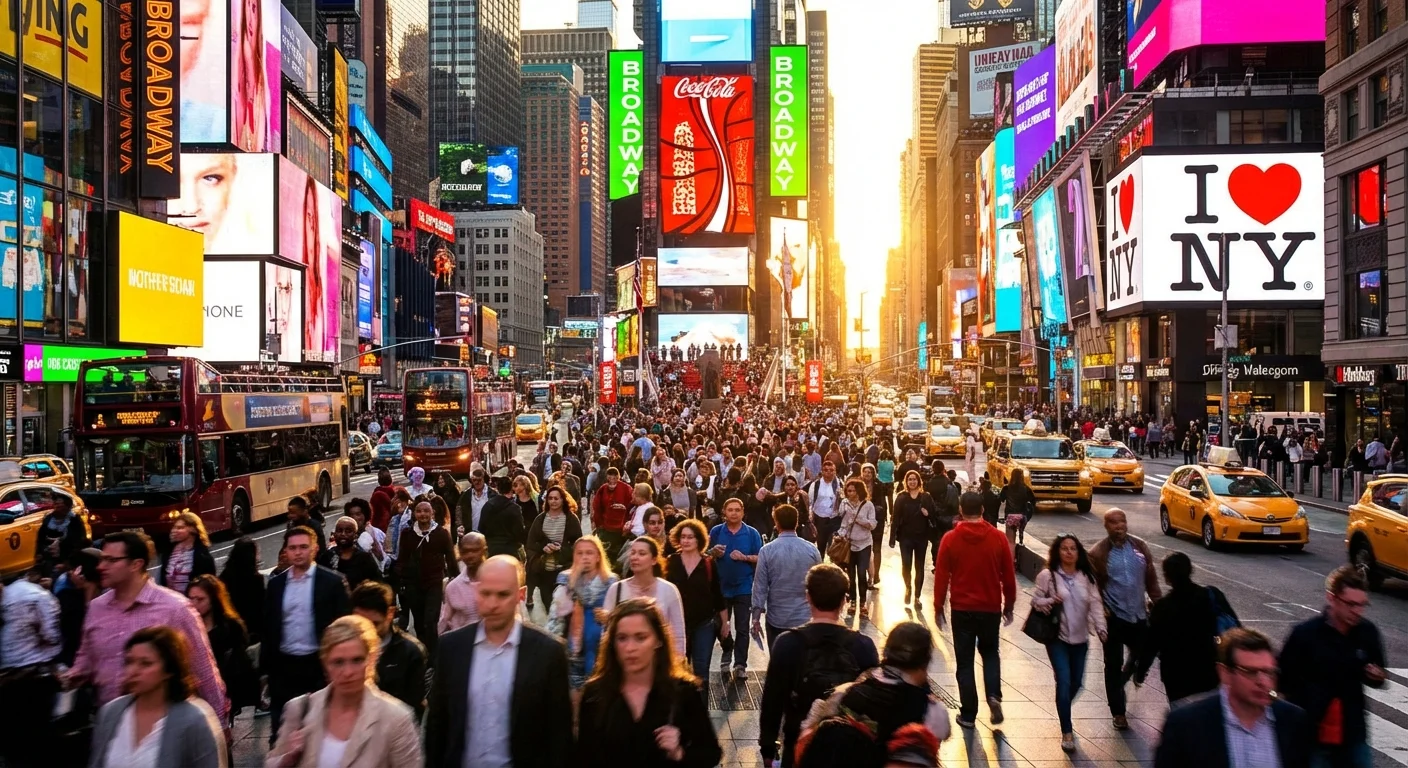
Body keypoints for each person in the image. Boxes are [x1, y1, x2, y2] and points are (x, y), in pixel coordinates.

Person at [425, 556, 573, 768]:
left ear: (520, 595)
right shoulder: (451, 647)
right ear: (477, 592)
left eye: (503, 595)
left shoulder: (548, 653)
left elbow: (559, 735)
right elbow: (437, 725)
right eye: (486, 593)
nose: (493, 604)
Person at [66, 531, 229, 722]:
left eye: (111, 560)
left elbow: (204, 670)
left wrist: (219, 722)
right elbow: (86, 661)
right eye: (102, 559)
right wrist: (65, 678)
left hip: (165, 728)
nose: (101, 566)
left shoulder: (175, 608)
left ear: (136, 564)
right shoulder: (96, 608)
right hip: (112, 726)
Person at [576, 599, 723, 768]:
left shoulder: (683, 692)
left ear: (658, 641)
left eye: (641, 637)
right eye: (622, 638)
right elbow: (583, 757)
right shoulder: (595, 695)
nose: (630, 647)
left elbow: (711, 754)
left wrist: (680, 752)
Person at [759, 563, 879, 768]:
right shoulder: (863, 646)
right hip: (850, 750)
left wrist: (768, 747)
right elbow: (874, 705)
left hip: (799, 745)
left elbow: (773, 701)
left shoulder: (788, 643)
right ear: (844, 600)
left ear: (808, 597)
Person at [265, 615, 422, 768]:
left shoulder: (396, 718)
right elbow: (272, 761)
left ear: (372, 659)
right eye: (338, 662)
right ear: (325, 663)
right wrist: (287, 759)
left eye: (357, 660)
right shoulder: (300, 709)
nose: (348, 672)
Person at [1154, 628, 1313, 768]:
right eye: (1250, 672)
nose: (1263, 682)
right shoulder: (1186, 724)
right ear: (1225, 673)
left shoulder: (1293, 721)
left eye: (1268, 672)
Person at [1279, 566, 1387, 768]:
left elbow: (1378, 672)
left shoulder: (1367, 632)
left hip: (1352, 732)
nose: (1357, 611)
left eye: (1362, 605)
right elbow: (1283, 681)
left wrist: (1377, 676)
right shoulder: (1305, 634)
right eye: (1351, 604)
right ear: (1332, 598)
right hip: (1313, 735)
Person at [261, 526, 351, 745]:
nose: (298, 552)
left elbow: (344, 627)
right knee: (282, 733)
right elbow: (269, 628)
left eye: (303, 547)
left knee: (321, 730)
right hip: (284, 668)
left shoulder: (332, 582)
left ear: (314, 548)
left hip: (318, 666)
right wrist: (265, 672)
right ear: (286, 551)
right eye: (292, 548)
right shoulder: (276, 584)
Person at [87, 627, 228, 768]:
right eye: (129, 662)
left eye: (146, 663)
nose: (133, 671)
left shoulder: (194, 719)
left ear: (169, 670)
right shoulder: (111, 713)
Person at [801, 622, 951, 754]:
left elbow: (808, 734)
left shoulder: (847, 692)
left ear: (886, 653)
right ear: (924, 663)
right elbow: (942, 733)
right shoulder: (932, 711)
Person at [933, 491, 1016, 729]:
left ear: (960, 510)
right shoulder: (998, 539)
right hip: (990, 607)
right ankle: (993, 695)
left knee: (965, 662)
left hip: (962, 609)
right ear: (982, 510)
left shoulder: (950, 538)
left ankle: (968, 714)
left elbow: (941, 576)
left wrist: (938, 607)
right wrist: (1009, 604)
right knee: (990, 653)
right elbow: (1008, 576)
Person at [1030, 534, 1108, 752]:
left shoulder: (1087, 577)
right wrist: (1050, 601)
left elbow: (1095, 604)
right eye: (1064, 548)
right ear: (1058, 551)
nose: (1069, 552)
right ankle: (1067, 731)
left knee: (1076, 684)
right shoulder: (1048, 576)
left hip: (1081, 639)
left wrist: (1101, 628)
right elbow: (1035, 601)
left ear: (1078, 552)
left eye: (1073, 548)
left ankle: (1062, 705)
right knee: (1064, 682)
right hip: (1057, 639)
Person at [1087, 507, 1162, 731]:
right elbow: (1093, 586)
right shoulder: (1098, 553)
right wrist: (1100, 610)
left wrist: (1157, 602)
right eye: (1114, 523)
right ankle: (1118, 712)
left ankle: (1127, 677)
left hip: (1139, 614)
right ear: (1106, 526)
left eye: (1122, 522)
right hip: (1113, 618)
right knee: (1112, 665)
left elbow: (1151, 578)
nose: (1119, 526)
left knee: (1143, 653)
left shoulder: (1140, 547)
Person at [1132, 551, 1237, 704]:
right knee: (1209, 712)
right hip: (1207, 668)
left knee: (1183, 717)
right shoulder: (1210, 595)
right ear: (1190, 570)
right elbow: (1235, 628)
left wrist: (1141, 671)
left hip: (1175, 674)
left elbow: (1151, 644)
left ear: (1167, 577)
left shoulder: (1163, 607)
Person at [0, 567, 62, 768]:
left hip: (31, 680)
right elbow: (52, 636)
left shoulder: (32, 596)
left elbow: (52, 637)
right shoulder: (34, 595)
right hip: (21, 680)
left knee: (29, 745)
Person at [664, 518, 728, 701]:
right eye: (683, 537)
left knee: (701, 671)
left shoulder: (708, 563)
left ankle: (700, 714)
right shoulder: (671, 561)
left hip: (704, 624)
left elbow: (717, 594)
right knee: (678, 670)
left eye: (690, 537)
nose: (686, 541)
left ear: (698, 540)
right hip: (676, 625)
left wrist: (725, 623)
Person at [548, 536, 619, 698]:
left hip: (600, 645)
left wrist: (610, 616)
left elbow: (618, 611)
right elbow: (556, 612)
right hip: (573, 644)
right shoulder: (565, 579)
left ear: (598, 556)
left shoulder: (611, 581)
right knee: (574, 692)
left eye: (589, 553)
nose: (584, 557)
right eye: (580, 553)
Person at [350, 582, 427, 721]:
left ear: (390, 613)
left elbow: (413, 709)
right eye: (360, 623)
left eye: (374, 624)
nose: (366, 631)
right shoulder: (344, 649)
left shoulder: (411, 652)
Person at [187, 575, 257, 723]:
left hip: (222, 689)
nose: (194, 604)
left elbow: (239, 660)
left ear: (213, 600)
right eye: (191, 598)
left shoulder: (229, 628)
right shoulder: (185, 627)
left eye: (200, 599)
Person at [604, 537, 689, 660]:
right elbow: (606, 634)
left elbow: (678, 634)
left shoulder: (669, 590)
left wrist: (678, 661)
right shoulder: (616, 589)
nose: (635, 557)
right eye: (632, 553)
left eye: (641, 553)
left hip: (660, 663)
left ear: (654, 559)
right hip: (624, 662)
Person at [751, 504, 823, 649]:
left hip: (778, 618)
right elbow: (820, 584)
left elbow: (760, 586)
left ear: (776, 523)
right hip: (805, 617)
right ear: (796, 523)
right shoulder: (811, 549)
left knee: (778, 662)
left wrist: (756, 617)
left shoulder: (767, 551)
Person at [393, 500, 457, 660]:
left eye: (426, 511)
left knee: (431, 620)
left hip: (434, 583)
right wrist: (399, 579)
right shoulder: (407, 534)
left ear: (432, 513)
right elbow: (402, 558)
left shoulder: (441, 534)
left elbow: (450, 557)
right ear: (414, 514)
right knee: (419, 622)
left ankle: (434, 657)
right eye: (419, 511)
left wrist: (455, 577)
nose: (423, 514)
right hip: (413, 584)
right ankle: (422, 654)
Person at [708, 497, 763, 679]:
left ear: (742, 512)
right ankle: (726, 655)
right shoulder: (716, 531)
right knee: (720, 626)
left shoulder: (752, 533)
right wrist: (713, 553)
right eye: (730, 510)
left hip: (744, 587)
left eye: (737, 510)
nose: (733, 513)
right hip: (721, 588)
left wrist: (745, 557)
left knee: (742, 627)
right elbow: (704, 555)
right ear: (724, 512)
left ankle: (740, 664)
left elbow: (760, 558)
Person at [889, 470, 938, 607]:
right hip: (905, 538)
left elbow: (934, 516)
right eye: (909, 479)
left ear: (918, 481)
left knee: (919, 567)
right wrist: (892, 537)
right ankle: (908, 588)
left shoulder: (926, 497)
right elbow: (895, 518)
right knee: (906, 565)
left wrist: (927, 514)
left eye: (914, 479)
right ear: (906, 481)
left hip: (921, 538)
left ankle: (917, 596)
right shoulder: (901, 497)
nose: (912, 482)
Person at [835, 478, 877, 620]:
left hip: (864, 543)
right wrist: (839, 536)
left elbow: (872, 524)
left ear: (859, 491)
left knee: (861, 573)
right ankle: (853, 601)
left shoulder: (868, 505)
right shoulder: (844, 504)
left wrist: (858, 519)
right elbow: (842, 523)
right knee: (851, 575)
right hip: (849, 544)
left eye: (852, 490)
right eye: (848, 490)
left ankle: (863, 603)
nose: (850, 493)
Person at [219, 537, 265, 644]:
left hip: (231, 627)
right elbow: (258, 608)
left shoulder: (225, 576)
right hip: (250, 630)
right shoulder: (255, 579)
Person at [439, 532, 487, 635]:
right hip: (463, 644)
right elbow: (445, 619)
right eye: (465, 551)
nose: (470, 555)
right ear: (460, 553)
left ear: (484, 551)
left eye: (475, 550)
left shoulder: (499, 580)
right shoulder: (453, 587)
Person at [159, 511, 217, 596]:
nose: (175, 531)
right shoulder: (168, 552)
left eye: (180, 528)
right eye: (174, 527)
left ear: (193, 529)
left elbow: (209, 586)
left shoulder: (202, 556)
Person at [319, 516, 384, 590]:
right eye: (340, 530)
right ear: (334, 534)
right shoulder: (327, 556)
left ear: (355, 536)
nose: (343, 534)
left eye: (348, 531)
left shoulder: (364, 558)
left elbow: (378, 585)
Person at [35, 492, 90, 577]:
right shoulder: (48, 519)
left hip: (67, 561)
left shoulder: (74, 520)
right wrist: (40, 554)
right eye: (56, 503)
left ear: (67, 506)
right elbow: (41, 538)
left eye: (60, 504)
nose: (57, 506)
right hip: (50, 561)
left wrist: (68, 563)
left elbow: (80, 541)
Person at [592, 466, 636, 562]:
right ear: (607, 477)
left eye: (614, 478)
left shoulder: (626, 488)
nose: (612, 481)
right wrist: (598, 525)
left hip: (621, 528)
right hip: (606, 528)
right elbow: (596, 507)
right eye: (610, 478)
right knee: (605, 554)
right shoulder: (602, 489)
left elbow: (633, 504)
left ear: (618, 477)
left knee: (618, 554)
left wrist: (625, 508)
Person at [806, 460, 844, 558]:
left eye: (832, 470)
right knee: (821, 546)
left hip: (835, 519)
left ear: (835, 471)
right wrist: (811, 516)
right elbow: (811, 502)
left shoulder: (839, 484)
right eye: (826, 470)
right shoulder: (816, 485)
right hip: (820, 519)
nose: (829, 472)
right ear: (822, 471)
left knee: (835, 547)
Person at [998, 467, 1034, 555]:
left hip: (1010, 516)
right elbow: (1033, 501)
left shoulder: (1007, 488)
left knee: (1010, 541)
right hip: (1022, 516)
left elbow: (1001, 499)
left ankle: (1012, 560)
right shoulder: (1026, 489)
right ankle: (1021, 542)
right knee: (1020, 534)